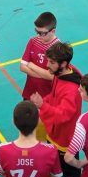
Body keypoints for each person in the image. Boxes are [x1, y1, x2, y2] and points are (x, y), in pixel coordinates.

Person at [26, 42, 83, 177]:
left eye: (51, 62)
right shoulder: (62, 73)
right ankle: (56, 172)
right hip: (54, 131)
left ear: (63, 64)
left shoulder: (72, 90)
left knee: (72, 173)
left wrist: (43, 105)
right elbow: (54, 95)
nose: (46, 65)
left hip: (65, 138)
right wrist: (44, 102)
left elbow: (63, 116)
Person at [20, 12, 61, 142]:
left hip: (48, 96)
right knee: (27, 122)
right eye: (37, 31)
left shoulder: (58, 48)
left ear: (53, 30)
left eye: (42, 33)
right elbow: (22, 67)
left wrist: (32, 65)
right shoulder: (33, 41)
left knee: (43, 129)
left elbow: (52, 77)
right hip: (30, 91)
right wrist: (43, 73)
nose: (38, 36)